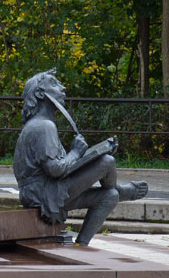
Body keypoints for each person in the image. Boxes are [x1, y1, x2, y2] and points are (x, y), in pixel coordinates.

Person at [14, 69, 148, 245]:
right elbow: (55, 169)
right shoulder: (43, 126)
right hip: (44, 194)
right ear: (40, 93)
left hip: (41, 192)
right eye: (54, 84)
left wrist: (87, 155)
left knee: (110, 195)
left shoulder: (38, 125)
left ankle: (81, 245)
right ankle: (122, 190)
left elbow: (59, 168)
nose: (63, 87)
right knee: (107, 161)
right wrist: (76, 153)